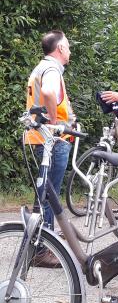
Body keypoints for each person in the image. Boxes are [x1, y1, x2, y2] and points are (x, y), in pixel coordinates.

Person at [25, 30, 75, 267]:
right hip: (51, 141)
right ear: (60, 49)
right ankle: (42, 249)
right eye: (67, 46)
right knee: (49, 195)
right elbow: (47, 93)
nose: (70, 50)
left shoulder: (40, 67)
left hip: (38, 138)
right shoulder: (52, 69)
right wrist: (55, 123)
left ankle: (37, 240)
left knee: (44, 192)